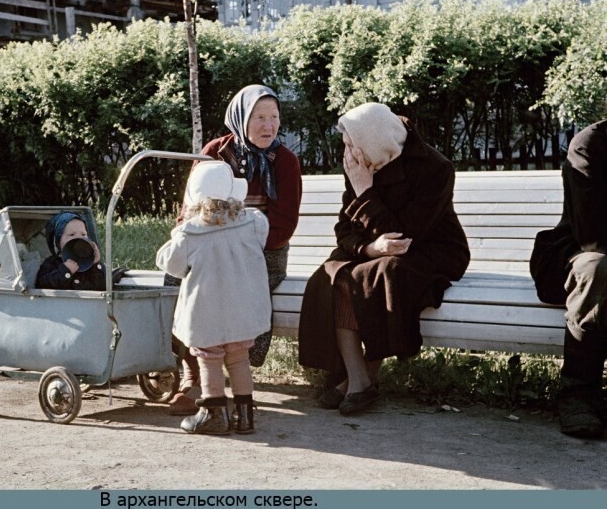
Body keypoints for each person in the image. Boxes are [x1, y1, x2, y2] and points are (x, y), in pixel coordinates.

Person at [298, 102, 470, 415]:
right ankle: (358, 377)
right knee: (333, 273)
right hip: (376, 248)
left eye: (352, 144)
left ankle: (362, 378)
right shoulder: (361, 162)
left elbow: (403, 236)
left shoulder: (435, 167)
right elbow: (343, 229)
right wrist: (369, 249)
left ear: (374, 141)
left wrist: (365, 191)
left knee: (378, 275)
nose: (347, 152)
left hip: (431, 249)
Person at [166, 83, 303, 415]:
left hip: (261, 252)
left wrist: (239, 246)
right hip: (209, 247)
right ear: (241, 118)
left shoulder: (285, 162)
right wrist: (203, 241)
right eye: (259, 117)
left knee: (235, 289)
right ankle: (191, 377)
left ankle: (230, 378)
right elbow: (190, 208)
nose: (268, 126)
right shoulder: (215, 152)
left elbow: (284, 223)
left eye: (274, 117)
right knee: (179, 288)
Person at [156, 161, 271, 435]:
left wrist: (176, 233)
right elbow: (262, 241)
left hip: (206, 312)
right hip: (242, 308)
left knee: (209, 359)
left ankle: (214, 413)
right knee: (238, 358)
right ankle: (245, 416)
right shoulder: (253, 222)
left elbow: (171, 264)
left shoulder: (189, 233)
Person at [529, 120, 607, 439]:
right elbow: (592, 234)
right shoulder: (589, 145)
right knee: (597, 268)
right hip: (580, 250)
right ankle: (578, 393)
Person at [36, 211, 106, 291]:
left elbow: (104, 287)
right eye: (72, 234)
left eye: (83, 234)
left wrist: (96, 264)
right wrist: (65, 271)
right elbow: (42, 285)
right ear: (58, 241)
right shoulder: (52, 263)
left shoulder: (90, 266)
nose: (79, 238)